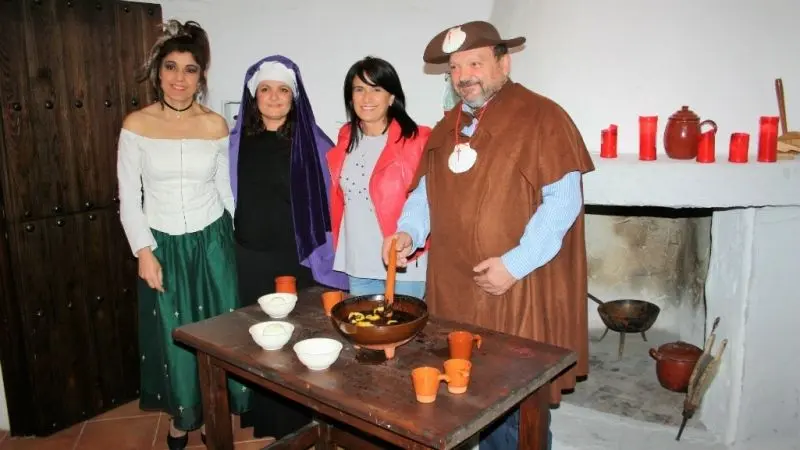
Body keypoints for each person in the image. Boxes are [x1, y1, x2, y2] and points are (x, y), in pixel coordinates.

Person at [382, 21, 595, 449]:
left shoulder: (543, 116)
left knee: (513, 398)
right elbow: (424, 193)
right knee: (465, 394)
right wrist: (408, 232)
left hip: (514, 285)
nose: (463, 77)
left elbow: (563, 201)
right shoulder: (448, 125)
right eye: (455, 68)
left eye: (475, 64)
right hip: (455, 288)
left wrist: (515, 264)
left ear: (504, 63)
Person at [117, 20, 250, 450]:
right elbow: (129, 197)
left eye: (190, 69)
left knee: (220, 331)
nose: (179, 78)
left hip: (212, 241)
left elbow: (226, 191)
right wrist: (143, 251)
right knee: (174, 333)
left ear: (201, 76)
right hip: (163, 245)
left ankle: (215, 413)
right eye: (171, 67)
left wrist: (241, 240)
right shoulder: (136, 124)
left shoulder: (215, 125)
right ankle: (181, 419)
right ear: (158, 72)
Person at [228, 55, 348, 440]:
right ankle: (265, 417)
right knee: (259, 337)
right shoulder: (236, 142)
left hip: (295, 257)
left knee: (296, 336)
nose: (274, 97)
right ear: (254, 97)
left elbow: (339, 194)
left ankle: (297, 421)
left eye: (283, 90)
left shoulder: (313, 142)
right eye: (266, 89)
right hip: (251, 254)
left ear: (294, 98)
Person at [327, 57, 430, 298]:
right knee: (362, 322)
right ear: (350, 97)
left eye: (376, 89)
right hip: (358, 260)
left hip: (403, 260)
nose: (367, 98)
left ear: (391, 97)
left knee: (402, 321)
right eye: (359, 89)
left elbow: (426, 200)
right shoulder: (345, 137)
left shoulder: (417, 140)